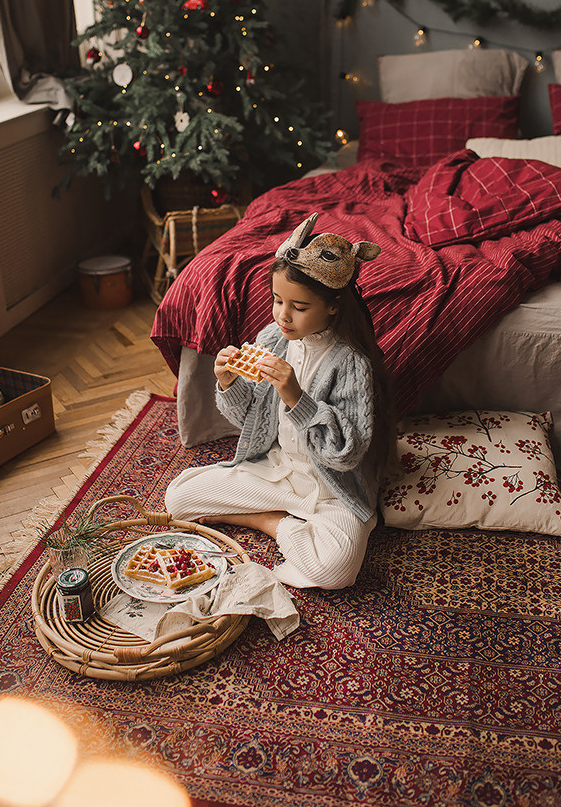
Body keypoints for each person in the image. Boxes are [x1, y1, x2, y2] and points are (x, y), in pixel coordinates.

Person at [164, 212, 397, 589]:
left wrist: (296, 397)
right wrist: (227, 383)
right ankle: (273, 514)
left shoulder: (351, 362)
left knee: (336, 571)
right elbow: (250, 419)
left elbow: (346, 454)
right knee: (178, 499)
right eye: (276, 300)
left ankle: (267, 521)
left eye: (299, 307)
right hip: (276, 471)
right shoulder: (274, 338)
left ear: (333, 305)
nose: (283, 316)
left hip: (329, 489)